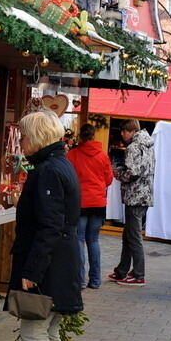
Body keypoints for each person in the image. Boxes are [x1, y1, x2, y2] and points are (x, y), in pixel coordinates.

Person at [8, 110, 82, 341]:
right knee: (48, 330)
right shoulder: (59, 164)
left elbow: (50, 225)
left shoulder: (49, 170)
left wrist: (33, 270)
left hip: (50, 265)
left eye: (24, 136)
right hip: (62, 262)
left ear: (37, 137)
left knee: (34, 332)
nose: (21, 142)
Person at [66, 123, 113, 289]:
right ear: (94, 136)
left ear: (81, 136)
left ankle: (80, 280)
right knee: (93, 240)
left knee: (79, 240)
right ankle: (95, 280)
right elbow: (109, 179)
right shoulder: (103, 156)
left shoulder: (72, 155)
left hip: (80, 202)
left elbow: (68, 178)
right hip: (98, 202)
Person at [109, 119, 155, 286]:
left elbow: (132, 173)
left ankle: (138, 274)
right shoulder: (148, 145)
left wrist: (119, 174)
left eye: (123, 131)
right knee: (128, 234)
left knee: (133, 236)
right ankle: (122, 270)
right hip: (144, 194)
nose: (122, 135)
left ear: (131, 131)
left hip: (134, 196)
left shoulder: (134, 147)